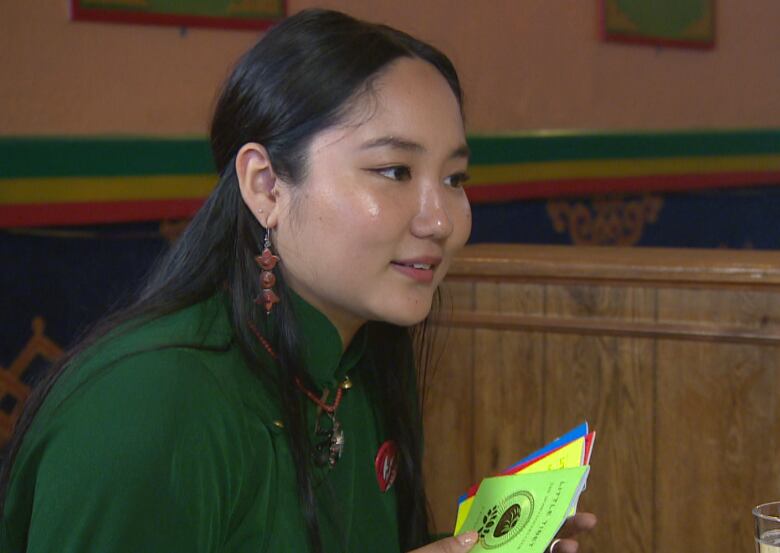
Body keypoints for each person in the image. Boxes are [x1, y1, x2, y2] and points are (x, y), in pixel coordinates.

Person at [0, 9, 595, 553]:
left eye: (456, 179)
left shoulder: (356, 366)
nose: (441, 220)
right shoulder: (148, 408)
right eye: (394, 171)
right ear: (265, 186)